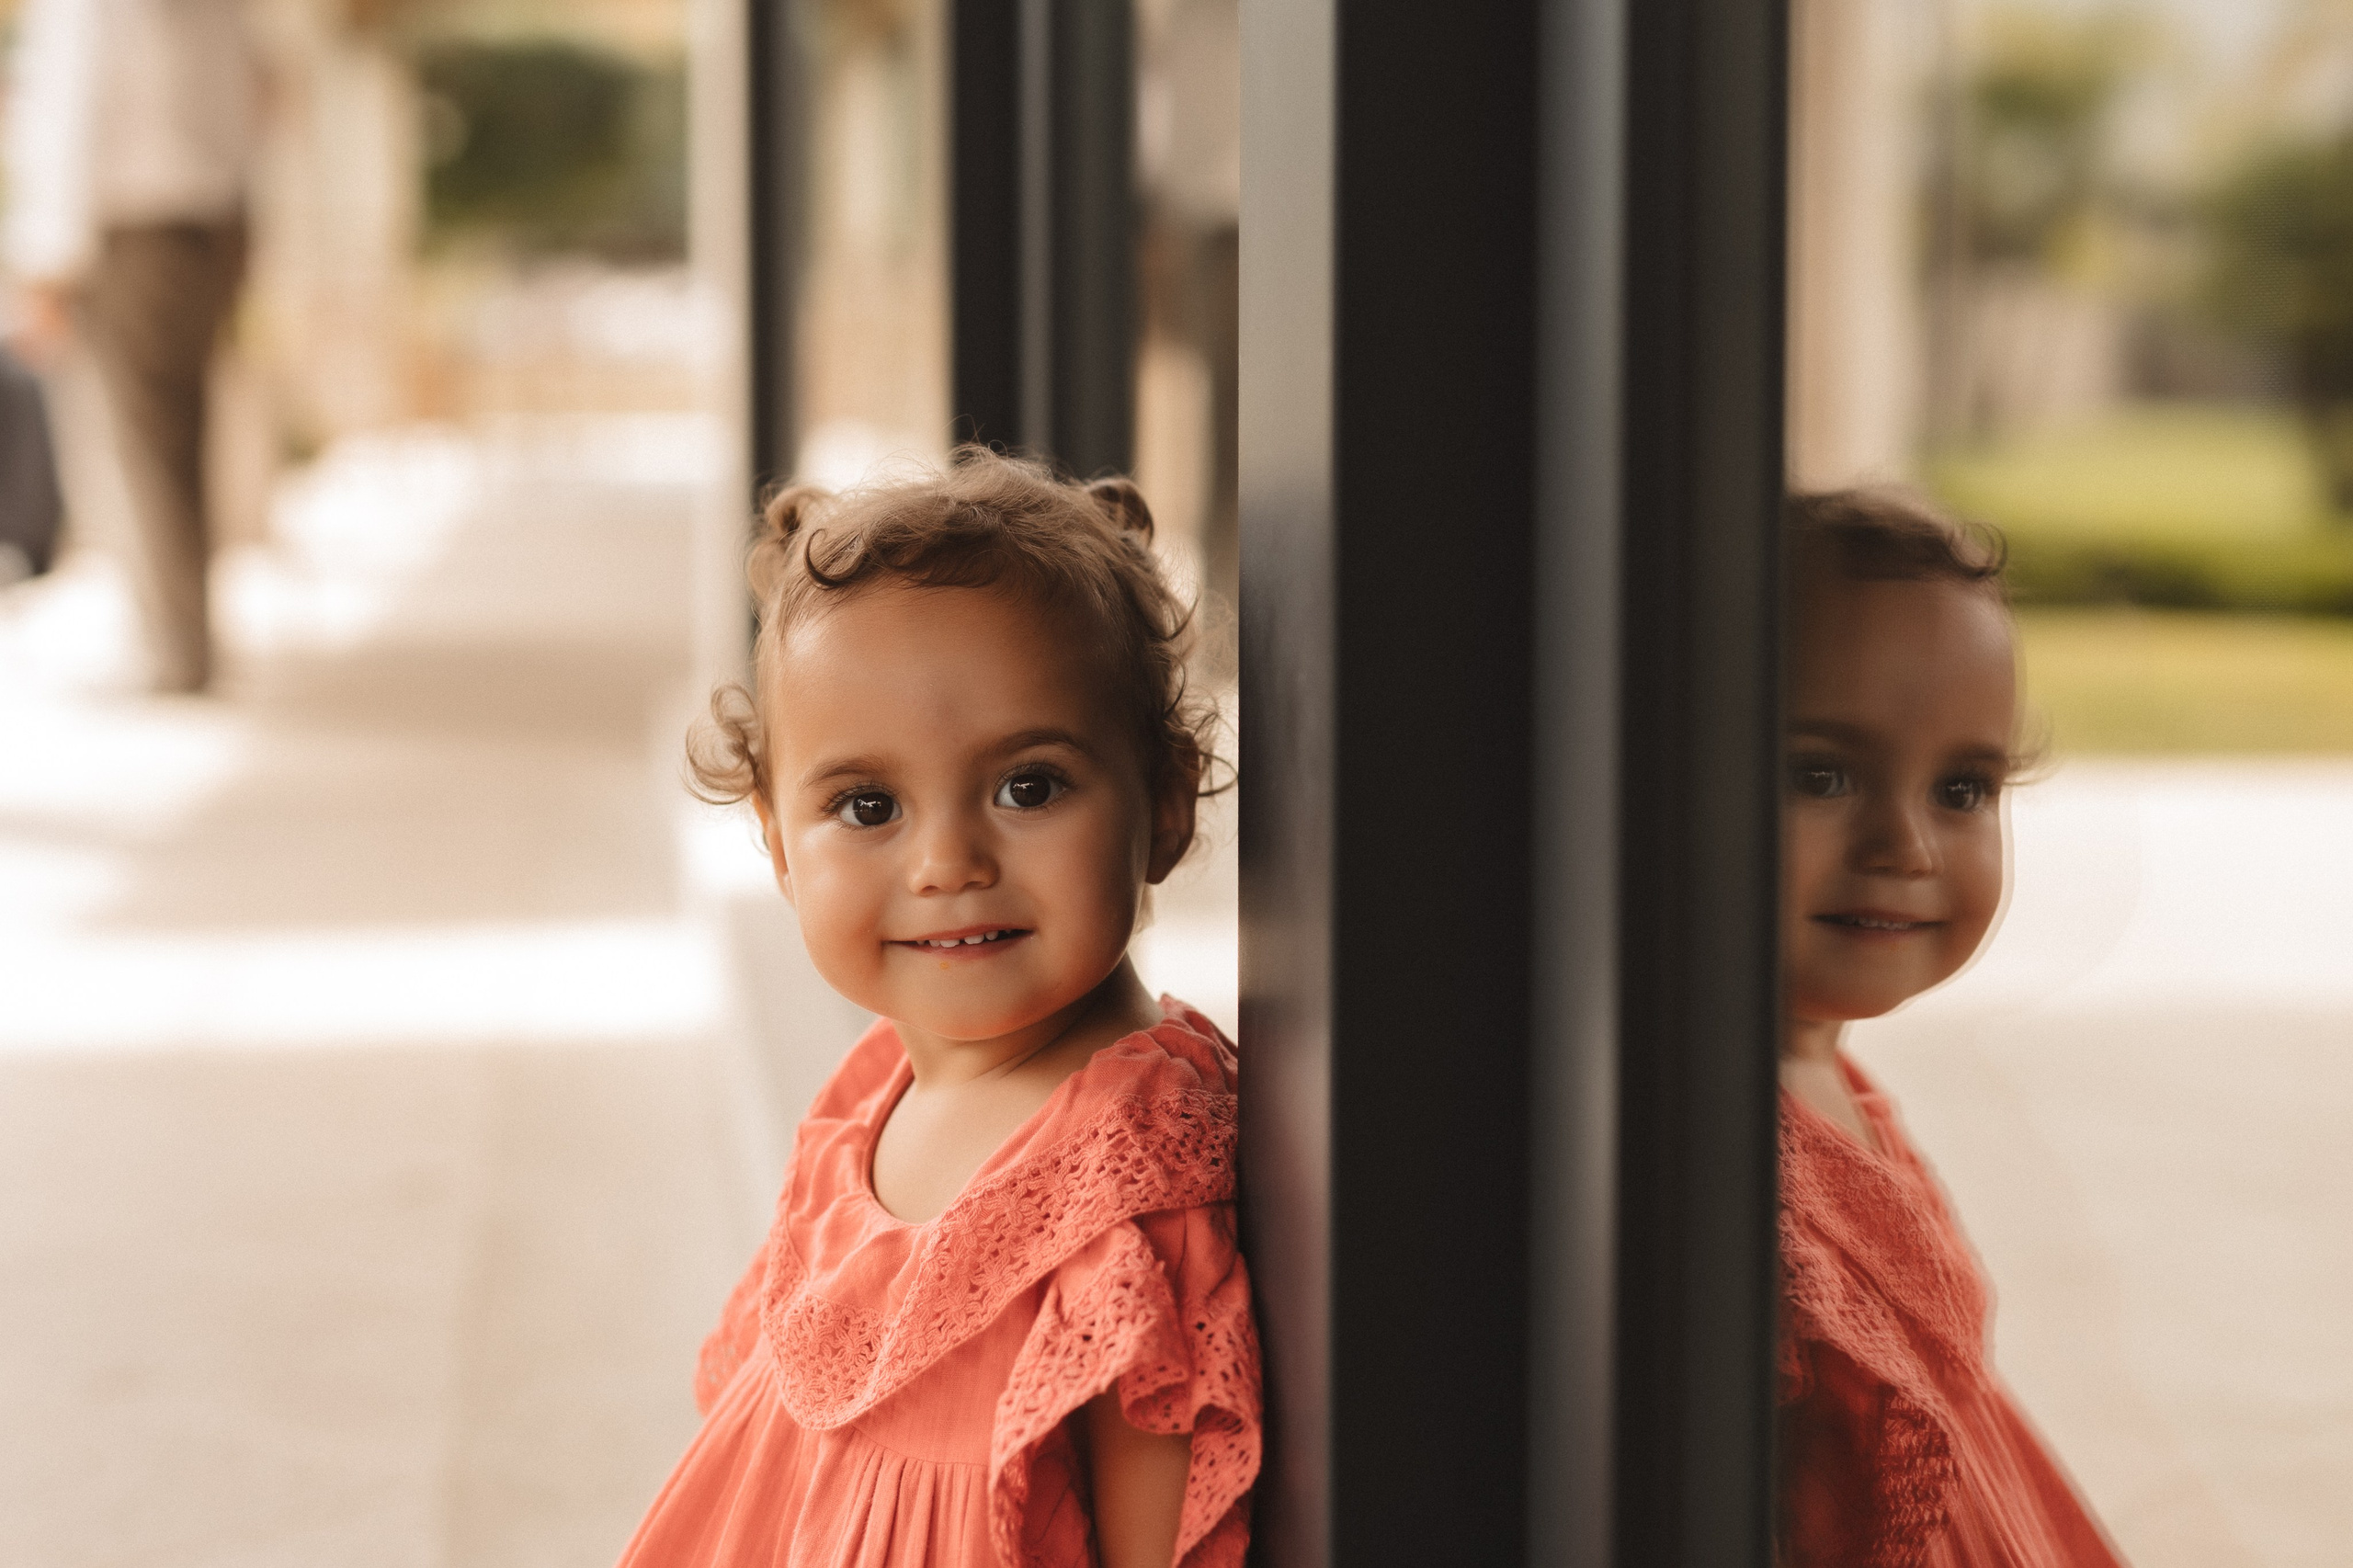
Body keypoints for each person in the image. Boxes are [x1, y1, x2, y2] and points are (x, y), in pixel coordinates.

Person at [619, 450, 1259, 1568]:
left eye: (1028, 786)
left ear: (1165, 803)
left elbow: (1161, 1539)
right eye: (868, 805)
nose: (946, 861)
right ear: (778, 844)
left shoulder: (1128, 1171)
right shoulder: (873, 1087)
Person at [1777, 490, 2124, 1566]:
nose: (1907, 845)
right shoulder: (1714, 1166)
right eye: (1820, 775)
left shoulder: (1837, 1087)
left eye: (1963, 789)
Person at [3, 0, 259, 691]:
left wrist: (47, 254)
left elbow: (70, 102)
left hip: (131, 224)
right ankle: (185, 640)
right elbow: (247, 93)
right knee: (178, 441)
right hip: (208, 219)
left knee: (135, 445)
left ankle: (172, 648)